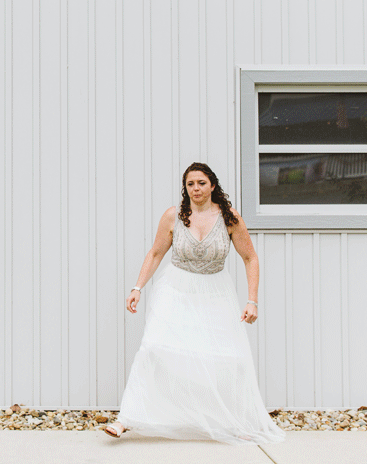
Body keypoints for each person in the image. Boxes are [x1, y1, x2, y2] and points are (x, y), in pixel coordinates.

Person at [104, 162, 284, 445]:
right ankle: (126, 419)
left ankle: (237, 422)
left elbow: (250, 258)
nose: (196, 189)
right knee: (152, 349)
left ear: (212, 185)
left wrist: (253, 300)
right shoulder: (173, 216)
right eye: (190, 184)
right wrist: (137, 287)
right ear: (185, 187)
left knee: (232, 360)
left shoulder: (229, 217)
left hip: (215, 292)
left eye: (201, 183)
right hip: (176, 289)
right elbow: (155, 253)